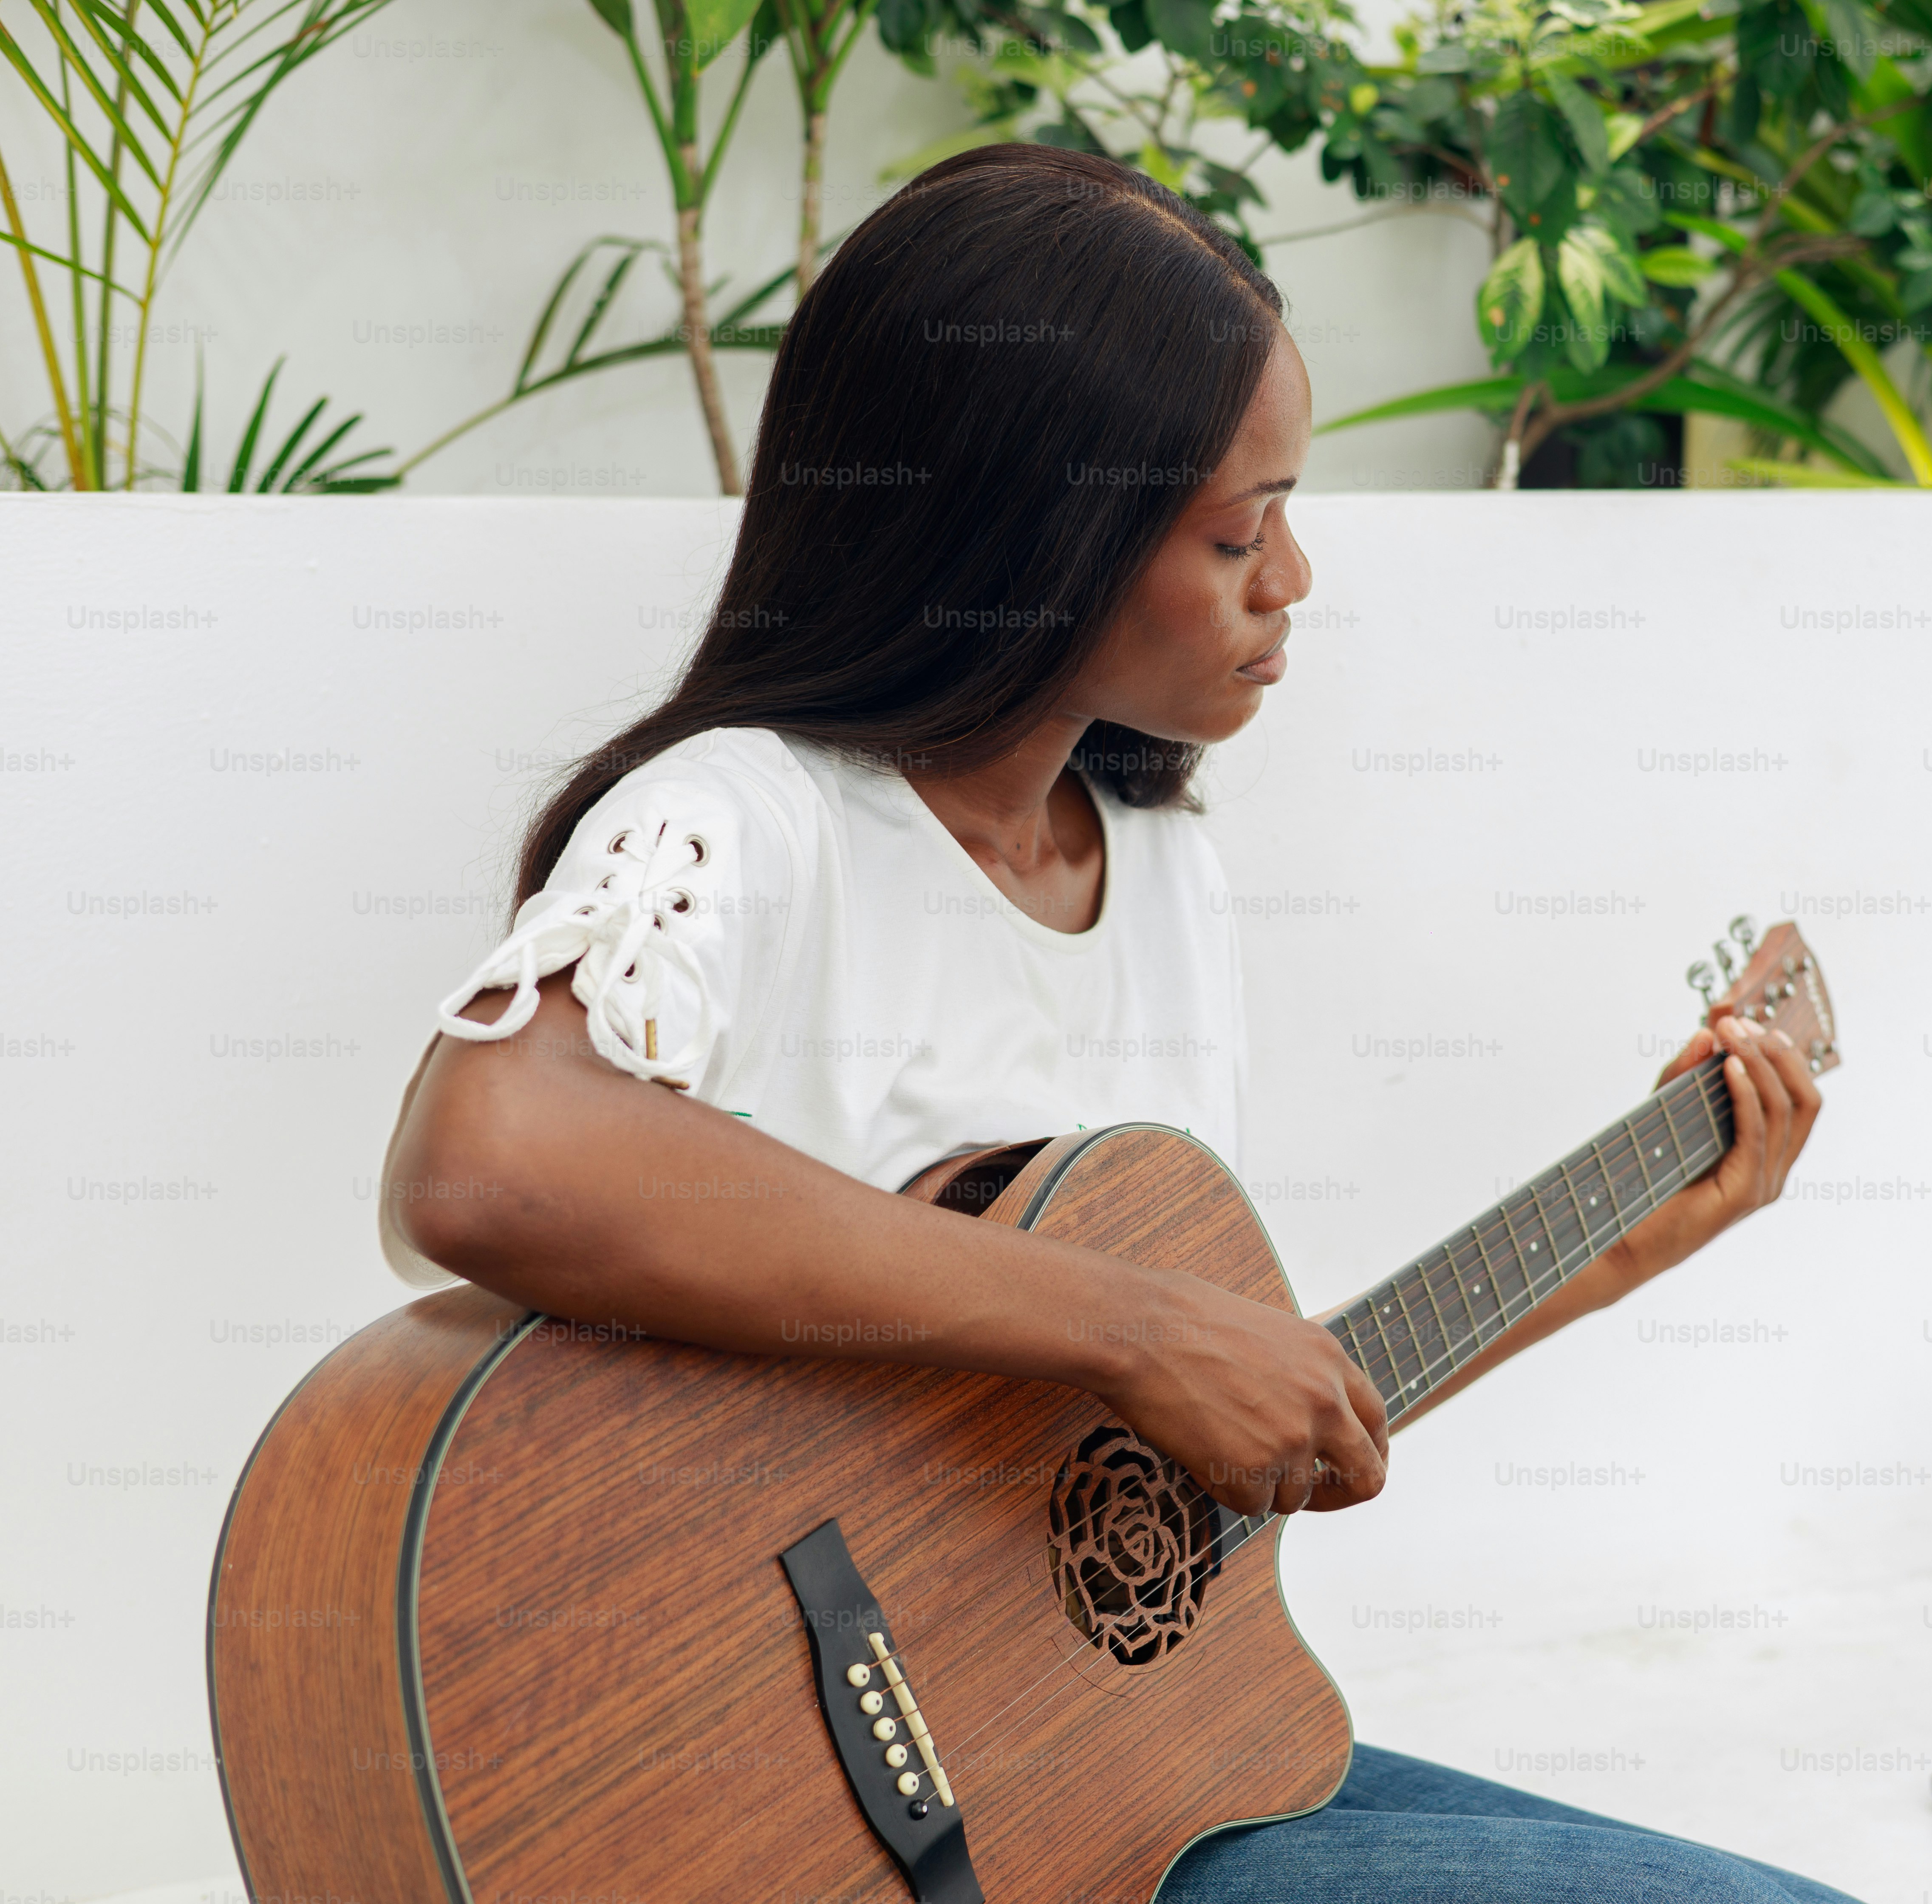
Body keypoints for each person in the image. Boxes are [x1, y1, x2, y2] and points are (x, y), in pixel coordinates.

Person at [384, 141, 1845, 1904]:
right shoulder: (751, 821)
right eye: (1239, 529)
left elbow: (1152, 1458)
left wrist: (1619, 1247)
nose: (1290, 578)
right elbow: (487, 1158)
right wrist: (1134, 1325)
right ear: (1033, 525)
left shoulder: (1161, 877)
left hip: (1097, 1774)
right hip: (810, 1831)